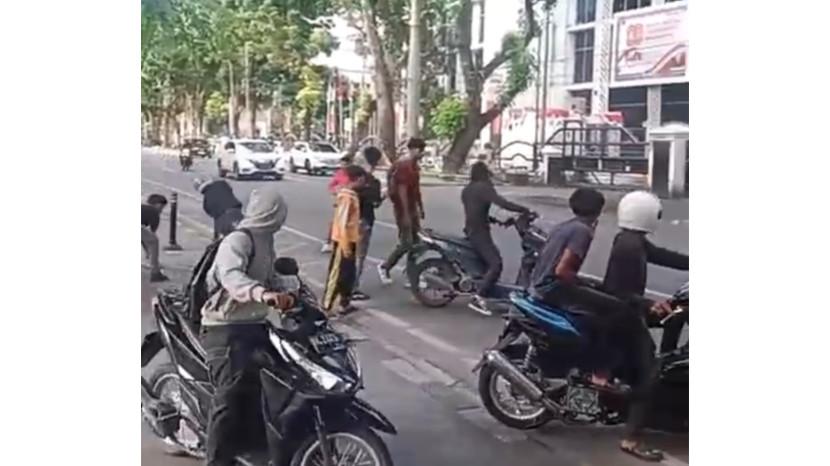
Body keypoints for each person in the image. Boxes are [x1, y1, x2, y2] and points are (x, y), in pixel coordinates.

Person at [200, 186, 296, 466]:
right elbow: (232, 277)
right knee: (229, 398)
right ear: (270, 212)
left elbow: (269, 276)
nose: (282, 216)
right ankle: (216, 461)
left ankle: (255, 445)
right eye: (279, 210)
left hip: (254, 324)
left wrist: (291, 291)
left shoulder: (265, 240)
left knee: (274, 384)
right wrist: (262, 294)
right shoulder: (238, 240)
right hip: (225, 328)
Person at [602, 190, 688, 462]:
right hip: (623, 316)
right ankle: (631, 438)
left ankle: (665, 357)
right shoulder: (629, 247)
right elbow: (617, 291)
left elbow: (662, 255)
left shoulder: (631, 240)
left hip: (626, 310)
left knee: (676, 315)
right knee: (649, 375)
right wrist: (649, 303)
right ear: (648, 215)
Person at [462, 162, 531, 314]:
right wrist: (523, 209)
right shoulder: (484, 188)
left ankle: (486, 289)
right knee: (496, 264)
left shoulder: (468, 189)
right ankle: (478, 297)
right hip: (479, 232)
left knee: (487, 263)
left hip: (472, 229)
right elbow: (502, 203)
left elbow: (475, 210)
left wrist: (494, 220)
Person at [377, 137, 426, 285]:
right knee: (407, 243)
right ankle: (385, 267)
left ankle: (411, 274)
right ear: (415, 150)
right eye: (421, 151)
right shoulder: (404, 166)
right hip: (403, 209)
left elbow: (416, 190)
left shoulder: (414, 166)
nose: (423, 154)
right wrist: (405, 214)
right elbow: (402, 192)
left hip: (411, 208)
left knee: (416, 243)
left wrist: (420, 207)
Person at [322, 164, 366, 316]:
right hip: (343, 241)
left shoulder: (351, 195)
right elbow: (341, 222)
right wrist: (345, 245)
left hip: (350, 240)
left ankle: (344, 303)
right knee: (336, 274)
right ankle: (326, 307)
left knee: (348, 274)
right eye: (363, 180)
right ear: (358, 179)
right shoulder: (347, 197)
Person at [351, 146, 384, 301]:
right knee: (359, 256)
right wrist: (384, 196)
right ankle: (353, 287)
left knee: (347, 254)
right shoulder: (373, 182)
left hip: (348, 220)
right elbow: (376, 203)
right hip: (364, 220)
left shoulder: (352, 177)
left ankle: (343, 284)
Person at [321, 154, 354, 253]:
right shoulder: (339, 173)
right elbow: (331, 186)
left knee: (349, 223)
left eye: (345, 165)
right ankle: (328, 242)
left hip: (351, 201)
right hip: (340, 201)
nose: (343, 166)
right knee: (335, 222)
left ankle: (346, 243)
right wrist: (335, 190)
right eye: (342, 164)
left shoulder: (354, 174)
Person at [141, 194, 169, 282]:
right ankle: (155, 273)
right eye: (162, 208)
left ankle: (152, 263)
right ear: (158, 205)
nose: (161, 210)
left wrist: (148, 253)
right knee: (154, 241)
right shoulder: (154, 212)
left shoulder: (143, 208)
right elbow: (151, 236)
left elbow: (144, 239)